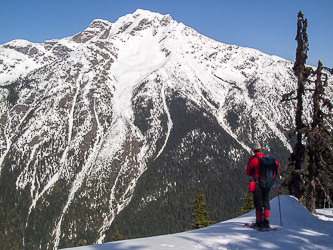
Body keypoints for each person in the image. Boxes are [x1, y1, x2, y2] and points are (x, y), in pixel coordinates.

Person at [246, 141, 280, 229]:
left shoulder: (253, 159)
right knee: (266, 202)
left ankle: (259, 222)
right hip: (267, 183)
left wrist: (255, 173)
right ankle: (266, 221)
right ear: (260, 149)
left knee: (258, 204)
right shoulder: (267, 158)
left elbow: (247, 172)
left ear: (252, 150)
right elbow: (277, 165)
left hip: (258, 183)